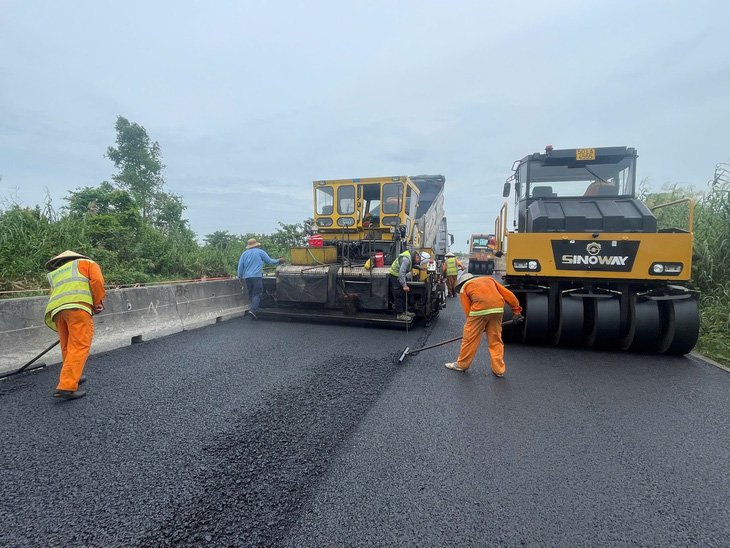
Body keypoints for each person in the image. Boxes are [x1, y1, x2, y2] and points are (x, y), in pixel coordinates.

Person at [44, 250, 106, 400]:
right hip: (77, 308)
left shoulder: (55, 273)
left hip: (57, 311)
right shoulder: (88, 263)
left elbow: (54, 293)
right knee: (79, 345)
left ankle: (73, 377)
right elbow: (97, 281)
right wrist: (97, 303)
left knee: (67, 345)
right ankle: (66, 386)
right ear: (77, 257)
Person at [445, 272, 522, 377]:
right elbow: (508, 294)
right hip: (498, 309)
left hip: (478, 311)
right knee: (496, 339)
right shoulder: (489, 280)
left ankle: (462, 365)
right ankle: (499, 370)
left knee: (469, 339)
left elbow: (467, 310)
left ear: (462, 283)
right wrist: (516, 312)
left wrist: (475, 328)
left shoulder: (465, 287)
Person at [237, 238, 285, 319]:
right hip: (256, 276)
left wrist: (240, 277)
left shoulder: (244, 254)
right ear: (256, 245)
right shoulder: (260, 252)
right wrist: (278, 260)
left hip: (248, 277)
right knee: (258, 293)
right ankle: (253, 309)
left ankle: (253, 307)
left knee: (251, 292)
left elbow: (240, 266)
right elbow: (269, 261)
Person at [388, 249, 426, 321]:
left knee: (403, 294)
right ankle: (399, 314)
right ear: (418, 258)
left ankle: (404, 311)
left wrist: (420, 268)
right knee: (398, 294)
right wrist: (404, 285)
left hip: (399, 276)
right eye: (419, 262)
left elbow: (412, 265)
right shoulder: (406, 259)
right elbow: (401, 272)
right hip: (395, 276)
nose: (419, 264)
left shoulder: (412, 257)